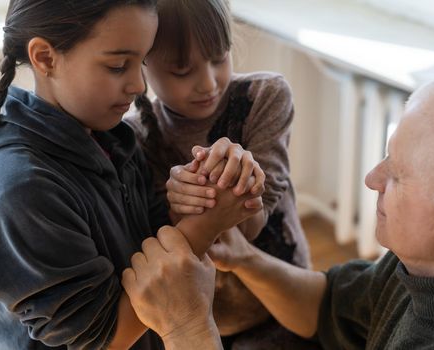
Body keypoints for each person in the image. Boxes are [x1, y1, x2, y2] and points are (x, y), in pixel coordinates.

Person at [122, 74, 434, 349]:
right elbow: (330, 305)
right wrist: (245, 258)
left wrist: (187, 329)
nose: (373, 178)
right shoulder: (429, 265)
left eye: (398, 173)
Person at [0, 1, 261, 349]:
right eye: (117, 66)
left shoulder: (112, 138)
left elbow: (157, 239)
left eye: (141, 62)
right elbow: (106, 338)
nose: (139, 85)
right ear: (45, 57)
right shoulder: (21, 190)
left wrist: (204, 190)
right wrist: (205, 224)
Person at [125, 0, 313, 346]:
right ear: (142, 64)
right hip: (201, 322)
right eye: (183, 71)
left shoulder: (264, 96)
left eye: (219, 58)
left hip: (286, 296)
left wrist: (237, 179)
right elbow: (172, 252)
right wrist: (180, 205)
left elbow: (254, 225)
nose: (209, 83)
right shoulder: (134, 139)